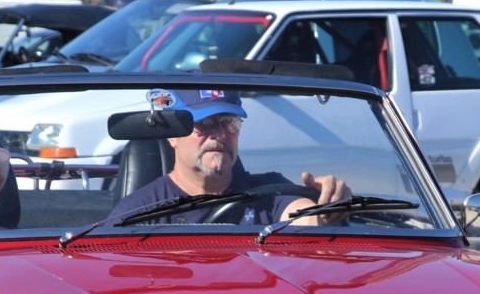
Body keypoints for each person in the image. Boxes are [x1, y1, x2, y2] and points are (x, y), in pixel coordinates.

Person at [106, 88, 349, 225]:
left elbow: (304, 218)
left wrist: (328, 207)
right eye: (204, 123)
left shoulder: (268, 193)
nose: (219, 134)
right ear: (172, 135)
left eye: (229, 122)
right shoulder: (137, 213)